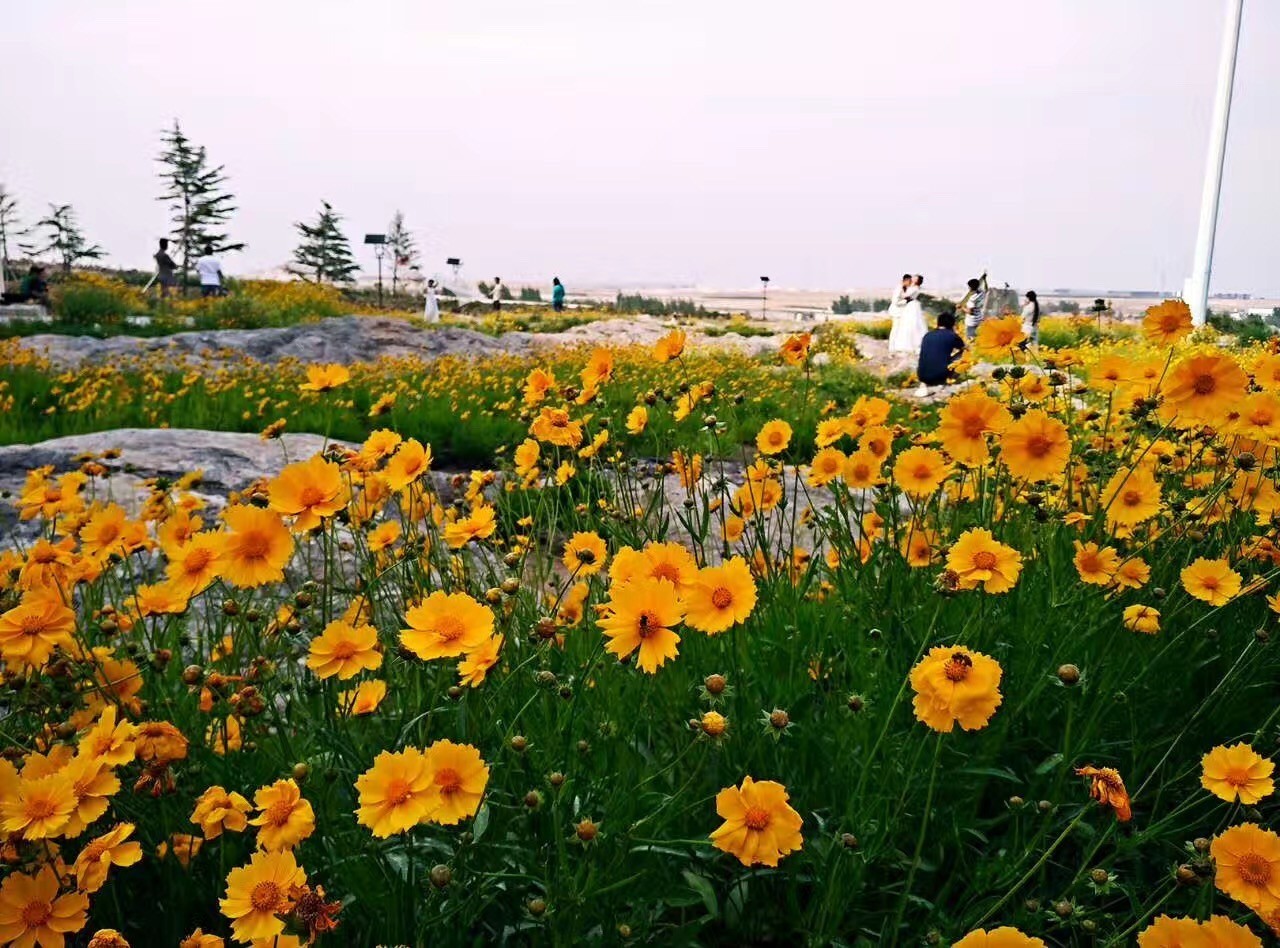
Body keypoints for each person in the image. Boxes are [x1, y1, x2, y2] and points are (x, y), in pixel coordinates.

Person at [916, 311, 966, 391]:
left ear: (938, 323)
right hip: (941, 375)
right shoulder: (952, 335)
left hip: (922, 376)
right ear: (952, 324)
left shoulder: (927, 335)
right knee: (965, 354)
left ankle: (927, 383)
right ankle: (950, 379)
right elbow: (965, 349)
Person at [886, 274, 913, 353]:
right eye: (909, 281)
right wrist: (906, 301)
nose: (910, 283)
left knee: (900, 329)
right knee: (895, 329)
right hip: (896, 312)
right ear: (906, 280)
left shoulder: (904, 289)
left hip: (901, 312)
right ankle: (892, 347)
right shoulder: (899, 289)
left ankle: (897, 346)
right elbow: (895, 301)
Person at [958, 271, 989, 341]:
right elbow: (987, 289)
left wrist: (961, 307)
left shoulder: (973, 298)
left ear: (970, 287)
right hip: (979, 319)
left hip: (971, 322)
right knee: (978, 338)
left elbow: (970, 312)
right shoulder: (982, 293)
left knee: (971, 340)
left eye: (968, 287)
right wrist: (984, 279)